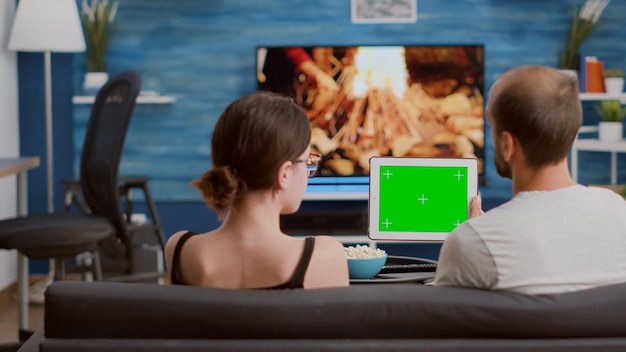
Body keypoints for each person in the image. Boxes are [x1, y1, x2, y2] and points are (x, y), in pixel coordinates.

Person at [434, 65, 626, 295]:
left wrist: (480, 233)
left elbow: (442, 322)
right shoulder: (618, 210)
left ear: (508, 145)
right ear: (572, 131)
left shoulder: (472, 242)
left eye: (492, 126)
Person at [165, 92, 349, 289]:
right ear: (285, 173)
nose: (307, 172)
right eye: (307, 162)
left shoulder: (180, 251)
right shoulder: (323, 257)